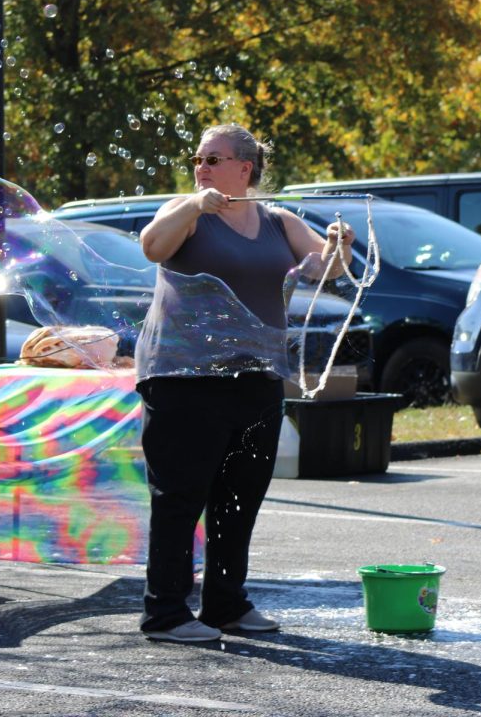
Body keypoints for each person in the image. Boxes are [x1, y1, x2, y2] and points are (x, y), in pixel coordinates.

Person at [134, 124, 353, 643]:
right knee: (180, 498)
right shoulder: (185, 213)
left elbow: (329, 270)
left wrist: (340, 245)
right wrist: (194, 205)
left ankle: (226, 605)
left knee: (239, 498)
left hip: (255, 380)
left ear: (245, 169)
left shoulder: (279, 221)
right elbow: (151, 246)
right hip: (182, 380)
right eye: (199, 158)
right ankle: (164, 612)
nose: (202, 167)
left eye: (214, 159)